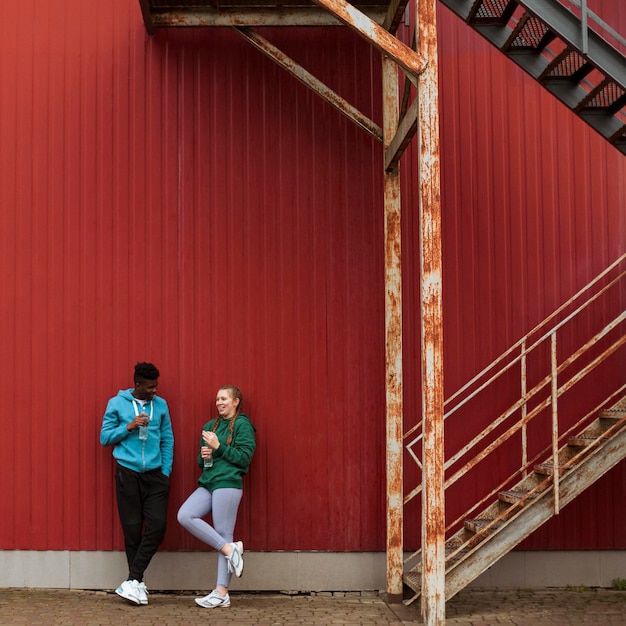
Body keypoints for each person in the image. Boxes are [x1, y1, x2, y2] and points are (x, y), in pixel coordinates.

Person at [100, 362, 174, 606]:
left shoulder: (161, 406)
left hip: (155, 476)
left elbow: (167, 439)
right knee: (132, 531)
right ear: (138, 385)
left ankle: (132, 580)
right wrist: (129, 427)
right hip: (127, 474)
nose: (154, 390)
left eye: (156, 386)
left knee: (158, 526)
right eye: (150, 387)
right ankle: (137, 585)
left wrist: (165, 472)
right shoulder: (117, 403)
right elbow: (104, 437)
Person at [177, 384, 256, 609]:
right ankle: (231, 549)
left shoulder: (243, 424)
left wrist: (218, 447)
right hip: (209, 483)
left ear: (235, 401)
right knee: (185, 515)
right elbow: (204, 463)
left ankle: (222, 592)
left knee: (223, 532)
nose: (219, 402)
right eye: (217, 399)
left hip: (228, 483)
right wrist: (205, 455)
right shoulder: (210, 426)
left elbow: (244, 458)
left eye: (224, 399)